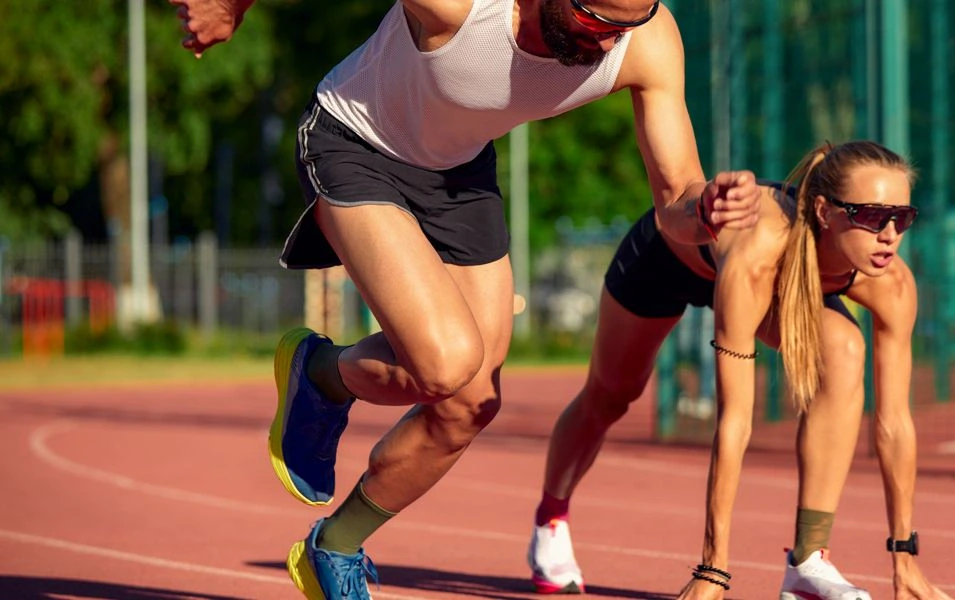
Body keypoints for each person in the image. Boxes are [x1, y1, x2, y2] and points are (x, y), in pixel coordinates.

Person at [170, 0, 761, 598]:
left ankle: (335, 543)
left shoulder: (648, 40)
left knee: (471, 402)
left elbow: (675, 201)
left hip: (458, 172)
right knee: (446, 363)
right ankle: (321, 373)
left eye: (626, 27)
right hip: (357, 140)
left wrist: (705, 209)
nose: (610, 44)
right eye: (594, 22)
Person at [529, 141, 953, 600]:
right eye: (871, 216)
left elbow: (894, 424)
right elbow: (734, 420)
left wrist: (905, 561)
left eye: (902, 218)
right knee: (610, 397)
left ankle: (808, 560)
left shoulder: (892, 283)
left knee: (845, 350)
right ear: (824, 211)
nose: (889, 234)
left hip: (776, 280)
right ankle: (551, 516)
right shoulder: (759, 251)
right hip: (665, 260)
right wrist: (714, 569)